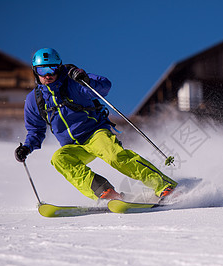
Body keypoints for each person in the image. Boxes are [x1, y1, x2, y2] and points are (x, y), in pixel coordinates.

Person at [15, 48, 177, 201]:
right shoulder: (35, 100)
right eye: (42, 70)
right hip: (74, 146)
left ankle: (162, 184)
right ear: (35, 71)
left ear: (59, 68)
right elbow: (35, 130)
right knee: (59, 159)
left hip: (95, 134)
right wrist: (27, 147)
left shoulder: (72, 83)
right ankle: (105, 192)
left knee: (114, 156)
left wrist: (85, 79)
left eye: (52, 69)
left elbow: (104, 86)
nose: (48, 75)